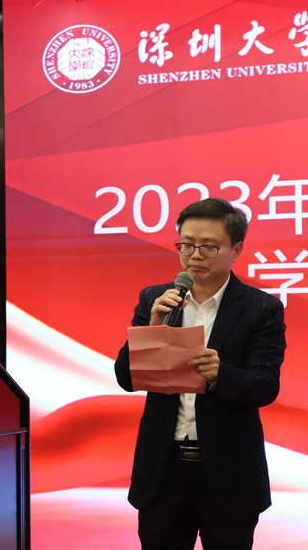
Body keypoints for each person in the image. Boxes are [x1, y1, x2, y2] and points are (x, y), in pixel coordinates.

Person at [114, 198, 287, 550]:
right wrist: (151, 330)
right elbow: (126, 379)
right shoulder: (155, 299)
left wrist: (221, 374)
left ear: (236, 250)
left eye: (209, 247)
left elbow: (266, 385)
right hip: (162, 470)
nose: (195, 256)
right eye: (187, 245)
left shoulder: (261, 307)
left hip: (229, 471)